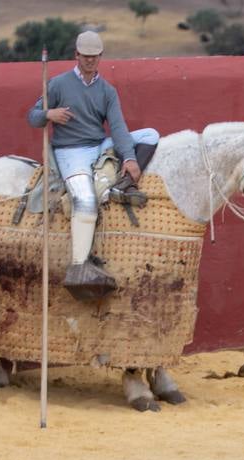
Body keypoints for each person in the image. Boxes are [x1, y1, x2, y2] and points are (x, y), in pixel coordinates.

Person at [26, 31, 158, 290]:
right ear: (76, 55)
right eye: (85, 56)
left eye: (94, 56)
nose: (89, 61)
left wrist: (130, 158)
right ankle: (78, 266)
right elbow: (32, 117)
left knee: (151, 135)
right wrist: (49, 113)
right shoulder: (58, 84)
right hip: (70, 150)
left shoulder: (107, 91)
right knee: (85, 199)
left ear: (100, 57)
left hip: (99, 145)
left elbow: (118, 127)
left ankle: (124, 184)